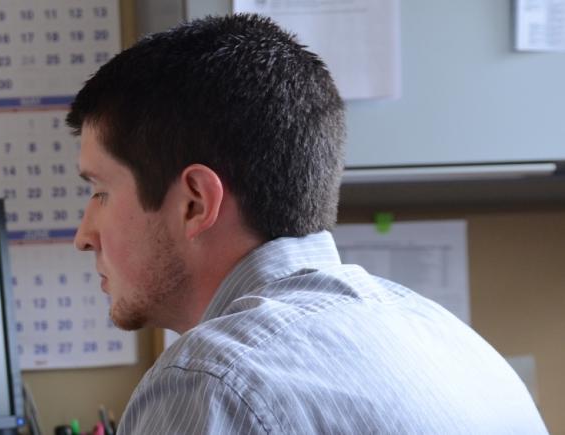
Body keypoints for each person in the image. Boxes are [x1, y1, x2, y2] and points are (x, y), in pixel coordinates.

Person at [67, 14, 546, 434]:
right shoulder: (450, 341)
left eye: (101, 192)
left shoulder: (211, 380)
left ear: (194, 203)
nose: (84, 237)